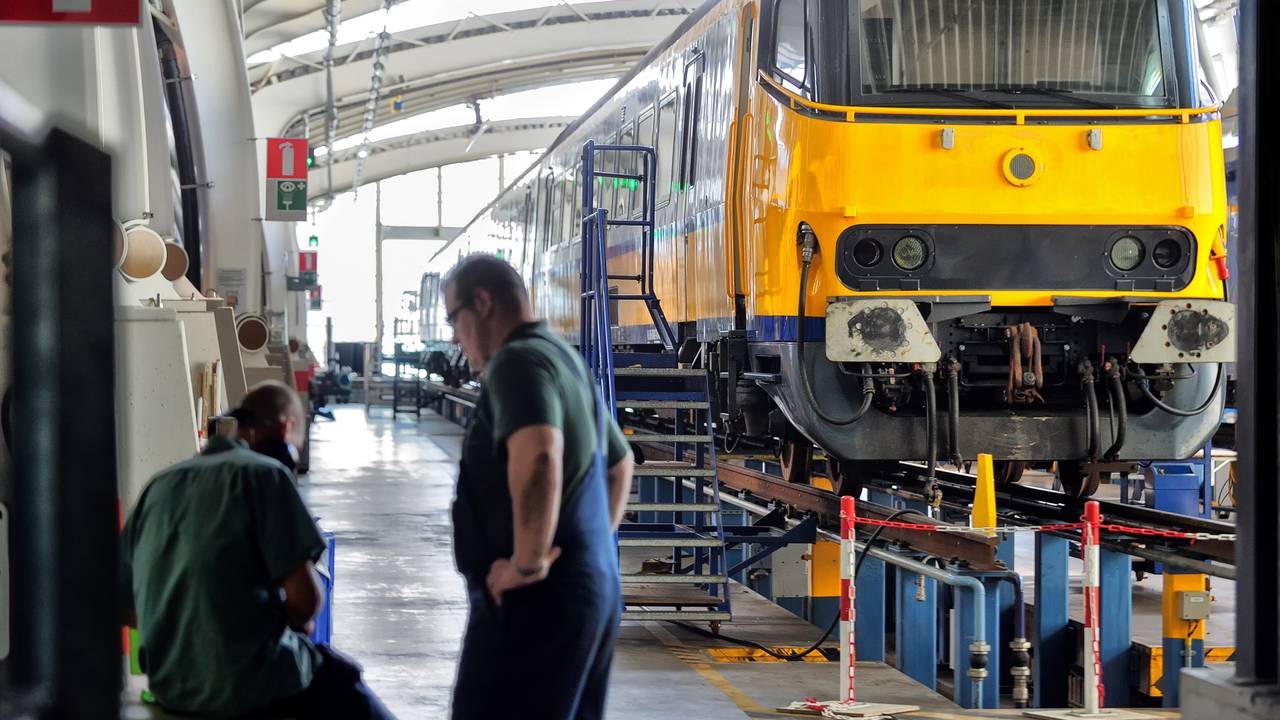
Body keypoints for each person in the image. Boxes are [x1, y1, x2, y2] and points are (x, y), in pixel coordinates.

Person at [120, 381, 396, 720]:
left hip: (171, 686)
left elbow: (123, 606)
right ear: (286, 429)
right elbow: (306, 603)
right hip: (251, 685)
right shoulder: (266, 474)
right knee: (348, 687)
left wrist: (186, 626)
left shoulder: (159, 485)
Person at [445, 255, 635, 720]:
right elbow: (620, 464)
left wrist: (528, 564)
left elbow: (540, 456)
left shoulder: (516, 361)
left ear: (482, 303)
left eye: (453, 319)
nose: (453, 337)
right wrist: (585, 551)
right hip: (589, 592)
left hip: (537, 603)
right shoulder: (563, 357)